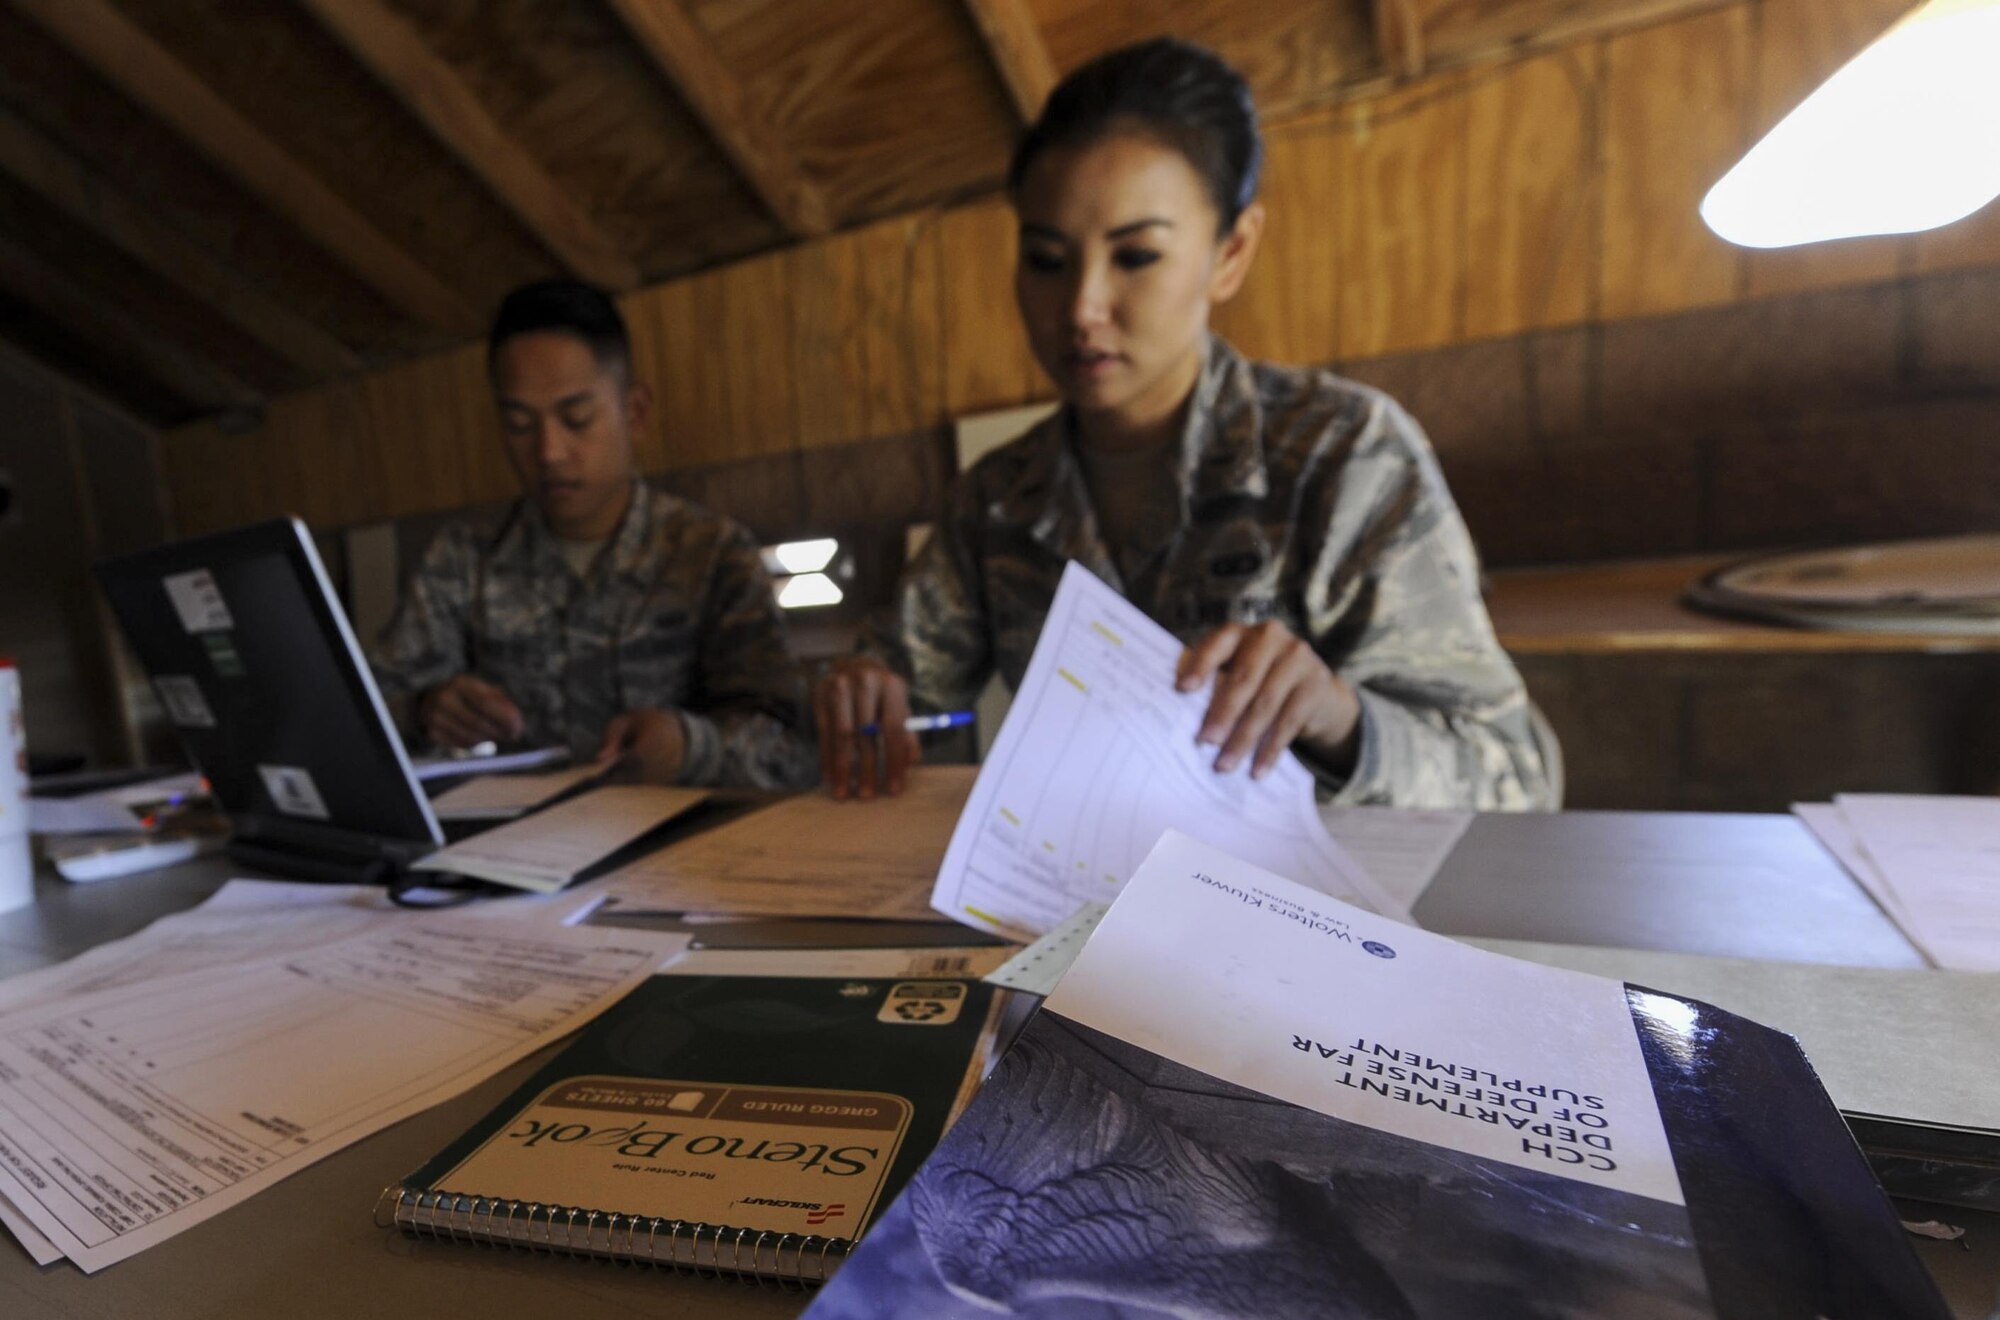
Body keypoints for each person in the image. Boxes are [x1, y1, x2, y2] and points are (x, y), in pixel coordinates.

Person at [816, 38, 1551, 809]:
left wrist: (1339, 718)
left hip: (1309, 915)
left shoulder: (1343, 455)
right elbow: (895, 695)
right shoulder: (996, 500)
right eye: (1045, 259)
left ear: (1229, 252)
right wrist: (863, 699)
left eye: (1135, 256)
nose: (1081, 309)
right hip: (1074, 908)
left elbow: (1516, 780)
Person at [369, 279, 814, 789]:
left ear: (635, 411)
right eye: (519, 425)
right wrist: (425, 711)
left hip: (680, 858)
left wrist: (691, 747)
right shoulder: (463, 561)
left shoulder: (711, 554)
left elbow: (792, 746)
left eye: (576, 419)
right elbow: (362, 712)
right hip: (513, 855)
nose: (548, 452)